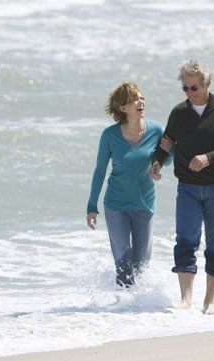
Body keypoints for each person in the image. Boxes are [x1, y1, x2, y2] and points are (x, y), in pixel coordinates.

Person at [151, 60, 214, 314]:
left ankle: (210, 301)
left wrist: (208, 158)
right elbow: (168, 139)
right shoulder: (179, 112)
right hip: (188, 188)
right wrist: (157, 162)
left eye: (193, 88)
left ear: (207, 84)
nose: (189, 93)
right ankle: (185, 299)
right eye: (185, 89)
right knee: (185, 241)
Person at [86, 82, 172, 288]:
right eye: (134, 99)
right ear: (123, 108)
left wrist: (158, 165)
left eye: (141, 98)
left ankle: (137, 311)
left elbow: (167, 158)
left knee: (141, 264)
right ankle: (122, 311)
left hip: (144, 205)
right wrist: (91, 206)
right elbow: (100, 171)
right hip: (116, 206)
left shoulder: (156, 130)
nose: (140, 102)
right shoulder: (110, 135)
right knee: (123, 264)